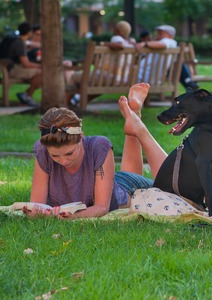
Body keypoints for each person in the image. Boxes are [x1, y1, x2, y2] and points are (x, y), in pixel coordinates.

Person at [26, 84, 155, 219]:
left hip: (127, 188)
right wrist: (36, 212)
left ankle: (134, 115)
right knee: (121, 176)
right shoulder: (42, 150)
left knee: (163, 188)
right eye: (55, 156)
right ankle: (133, 117)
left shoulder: (98, 146)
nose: (63, 161)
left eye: (69, 153)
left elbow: (102, 208)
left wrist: (72, 217)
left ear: (81, 136)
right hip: (108, 181)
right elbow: (36, 204)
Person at [137, 25, 198, 90]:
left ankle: (188, 82)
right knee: (178, 62)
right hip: (145, 77)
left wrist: (145, 43)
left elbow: (163, 44)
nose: (157, 35)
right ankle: (188, 82)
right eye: (157, 33)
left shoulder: (169, 41)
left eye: (161, 33)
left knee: (178, 62)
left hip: (142, 77)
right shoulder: (158, 44)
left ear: (170, 35)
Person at [4, 22, 41, 107]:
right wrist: (41, 66)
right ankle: (27, 96)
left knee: (40, 73)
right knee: (42, 73)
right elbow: (26, 64)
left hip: (7, 68)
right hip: (13, 69)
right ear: (29, 33)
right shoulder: (19, 43)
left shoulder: (16, 41)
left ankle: (26, 96)